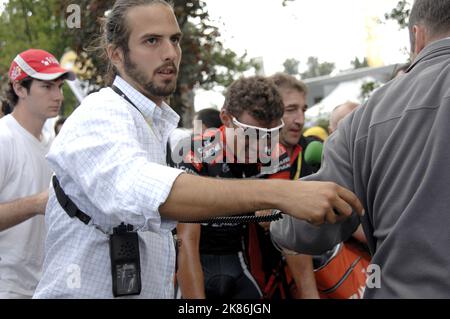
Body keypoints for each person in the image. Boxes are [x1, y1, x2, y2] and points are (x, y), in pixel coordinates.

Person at [33, 0, 362, 299]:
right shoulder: (100, 112)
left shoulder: (156, 127)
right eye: (152, 40)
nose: (169, 53)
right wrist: (280, 193)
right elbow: (146, 189)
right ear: (116, 54)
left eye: (174, 39)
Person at [271, 0, 450, 298]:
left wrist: (273, 215)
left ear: (417, 36)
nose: (299, 119)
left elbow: (311, 230)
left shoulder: (365, 119)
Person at [175, 76, 289, 299]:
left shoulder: (275, 153)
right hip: (199, 256)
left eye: (270, 136)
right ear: (226, 118)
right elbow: (186, 241)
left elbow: (287, 229)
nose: (261, 147)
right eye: (251, 136)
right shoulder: (193, 151)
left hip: (242, 261)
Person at [0, 49, 75, 298]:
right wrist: (35, 204)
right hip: (7, 285)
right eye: (47, 87)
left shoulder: (53, 144)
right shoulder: (3, 139)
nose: (58, 96)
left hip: (46, 285)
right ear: (20, 89)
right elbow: (40, 204)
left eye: (60, 86)